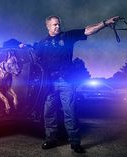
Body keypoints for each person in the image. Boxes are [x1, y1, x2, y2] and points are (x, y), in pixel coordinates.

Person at [35, 15, 120, 153]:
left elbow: (87, 30)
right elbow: (34, 58)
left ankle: (75, 142)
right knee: (48, 112)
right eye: (55, 25)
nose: (58, 26)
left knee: (70, 112)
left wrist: (104, 23)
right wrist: (20, 46)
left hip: (65, 82)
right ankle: (51, 139)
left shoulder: (67, 36)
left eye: (59, 24)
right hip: (49, 84)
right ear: (48, 26)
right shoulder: (42, 43)